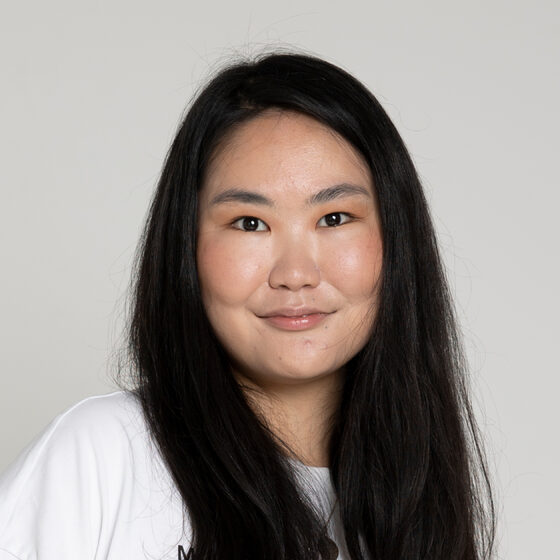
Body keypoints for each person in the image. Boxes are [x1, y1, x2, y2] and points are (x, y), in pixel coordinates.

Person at [0, 52, 495, 560]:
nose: (295, 274)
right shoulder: (101, 457)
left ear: (397, 238)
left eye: (335, 218)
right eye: (250, 224)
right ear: (187, 247)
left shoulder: (414, 503)